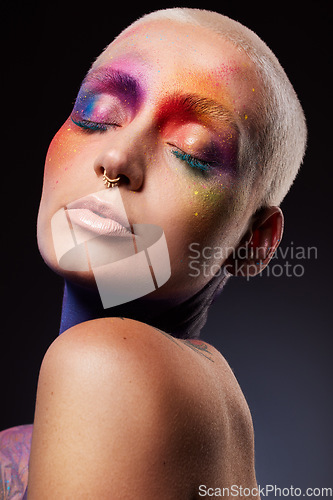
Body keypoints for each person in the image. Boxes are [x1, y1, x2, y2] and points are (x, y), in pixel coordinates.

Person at [0, 7, 306, 499]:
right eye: (97, 115)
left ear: (254, 242)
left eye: (191, 152)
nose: (117, 160)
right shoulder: (191, 395)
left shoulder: (106, 367)